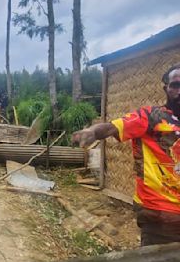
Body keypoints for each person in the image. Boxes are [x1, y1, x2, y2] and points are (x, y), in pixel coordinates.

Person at [72, 64, 180, 246]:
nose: (179, 91)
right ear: (165, 89)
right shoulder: (150, 116)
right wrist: (92, 132)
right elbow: (113, 127)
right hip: (160, 214)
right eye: (175, 85)